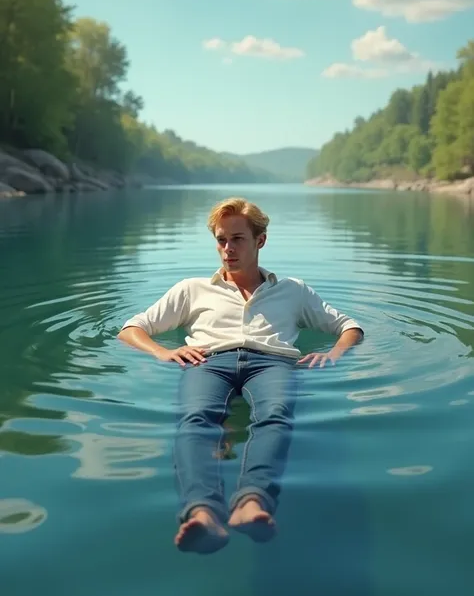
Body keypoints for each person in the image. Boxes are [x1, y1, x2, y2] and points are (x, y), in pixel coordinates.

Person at [117, 197, 364, 555]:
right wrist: (163, 351)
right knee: (195, 419)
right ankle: (203, 512)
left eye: (237, 239)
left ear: (260, 240)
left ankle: (253, 501)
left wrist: (333, 353)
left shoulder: (292, 290)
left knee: (275, 414)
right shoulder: (192, 289)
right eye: (221, 240)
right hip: (208, 361)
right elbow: (131, 328)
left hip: (272, 363)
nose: (227, 249)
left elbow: (349, 326)